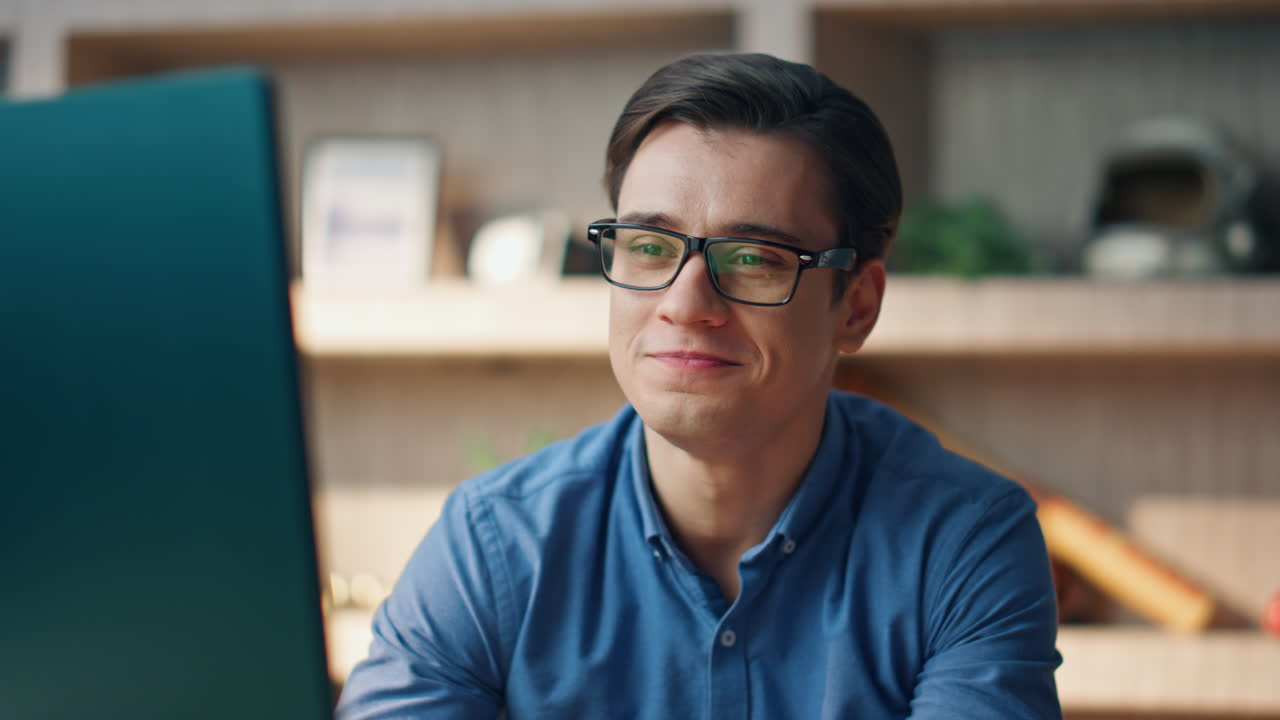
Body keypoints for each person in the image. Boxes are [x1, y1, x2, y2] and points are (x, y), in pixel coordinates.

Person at [336, 52, 1062, 719]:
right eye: (649, 248)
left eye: (753, 258)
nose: (684, 304)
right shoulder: (496, 544)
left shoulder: (964, 540)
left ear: (857, 306)